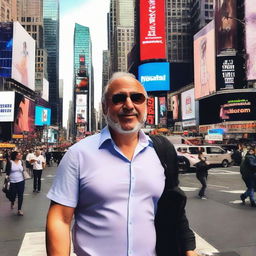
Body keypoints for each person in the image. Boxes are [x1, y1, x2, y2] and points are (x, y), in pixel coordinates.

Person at [46, 72, 197, 256]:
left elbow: (174, 206)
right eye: (119, 98)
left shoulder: (162, 151)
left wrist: (188, 248)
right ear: (104, 107)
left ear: (146, 105)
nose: (129, 105)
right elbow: (60, 219)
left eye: (137, 98)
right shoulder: (78, 154)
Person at [5, 151, 25, 216]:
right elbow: (7, 172)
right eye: (19, 155)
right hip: (12, 182)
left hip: (21, 181)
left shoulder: (21, 162)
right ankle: (12, 201)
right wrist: (6, 180)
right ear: (15, 156)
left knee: (20, 195)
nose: (21, 156)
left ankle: (19, 210)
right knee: (12, 195)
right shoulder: (10, 162)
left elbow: (23, 170)